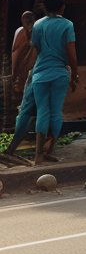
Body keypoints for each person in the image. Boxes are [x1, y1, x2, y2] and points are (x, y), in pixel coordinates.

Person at [25, 0, 78, 166]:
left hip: (40, 74)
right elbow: (71, 53)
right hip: (59, 74)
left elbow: (35, 51)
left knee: (42, 112)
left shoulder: (38, 25)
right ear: (62, 7)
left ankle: (38, 155)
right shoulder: (67, 25)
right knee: (56, 112)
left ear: (44, 6)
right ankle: (50, 150)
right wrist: (75, 75)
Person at [1, 11, 38, 158]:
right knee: (24, 107)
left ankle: (23, 141)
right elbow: (17, 55)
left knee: (27, 108)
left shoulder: (35, 32)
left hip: (33, 73)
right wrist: (16, 76)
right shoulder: (23, 33)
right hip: (28, 73)